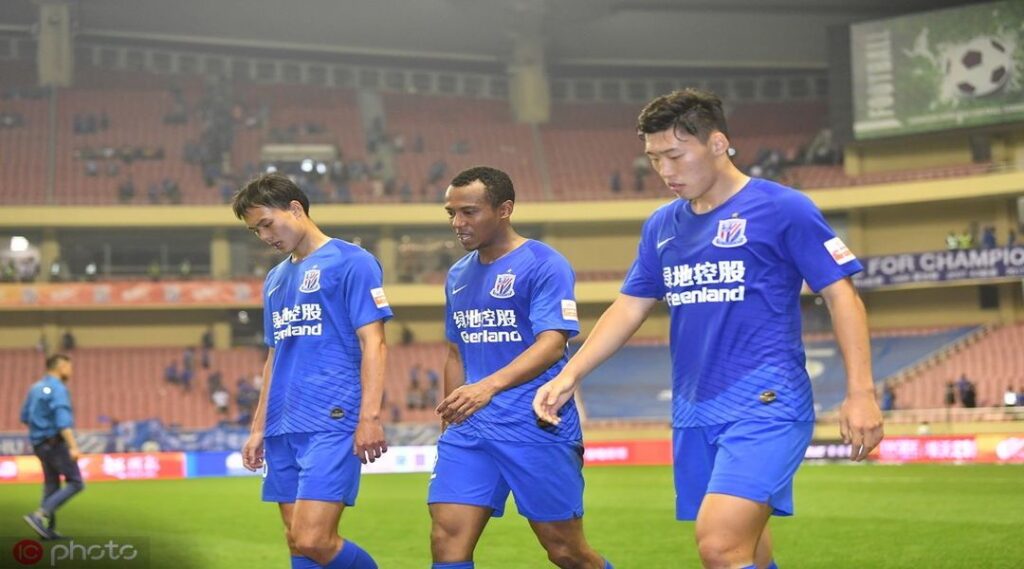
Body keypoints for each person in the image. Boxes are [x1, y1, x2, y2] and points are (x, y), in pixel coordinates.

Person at [534, 89, 883, 569]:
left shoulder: (783, 208)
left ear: (718, 144)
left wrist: (861, 392)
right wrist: (569, 375)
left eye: (675, 156)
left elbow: (842, 295)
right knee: (748, 549)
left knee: (719, 545)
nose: (665, 171)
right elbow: (630, 307)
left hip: (767, 402)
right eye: (654, 159)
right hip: (694, 410)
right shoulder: (662, 226)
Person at [429, 166, 612, 569]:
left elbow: (552, 344)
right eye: (451, 213)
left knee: (566, 552)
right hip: (471, 431)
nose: (457, 223)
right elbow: (456, 353)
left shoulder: (544, 264)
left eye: (469, 212)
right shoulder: (458, 275)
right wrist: (449, 425)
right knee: (447, 543)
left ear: (505, 209)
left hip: (535, 424)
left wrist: (488, 387)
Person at [233, 172, 390, 569]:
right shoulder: (275, 279)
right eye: (255, 231)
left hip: (331, 417)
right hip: (283, 423)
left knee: (313, 538)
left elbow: (374, 342)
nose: (264, 236)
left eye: (267, 224)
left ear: (295, 208)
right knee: (296, 541)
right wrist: (258, 427)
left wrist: (369, 416)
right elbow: (274, 356)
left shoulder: (352, 261)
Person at [21, 354, 84, 540]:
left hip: (39, 444)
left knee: (51, 484)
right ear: (61, 367)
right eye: (69, 367)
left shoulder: (35, 388)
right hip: (54, 442)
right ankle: (39, 515)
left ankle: (46, 530)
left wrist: (40, 429)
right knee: (76, 482)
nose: (71, 371)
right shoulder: (58, 389)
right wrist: (73, 447)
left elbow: (24, 416)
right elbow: (63, 422)